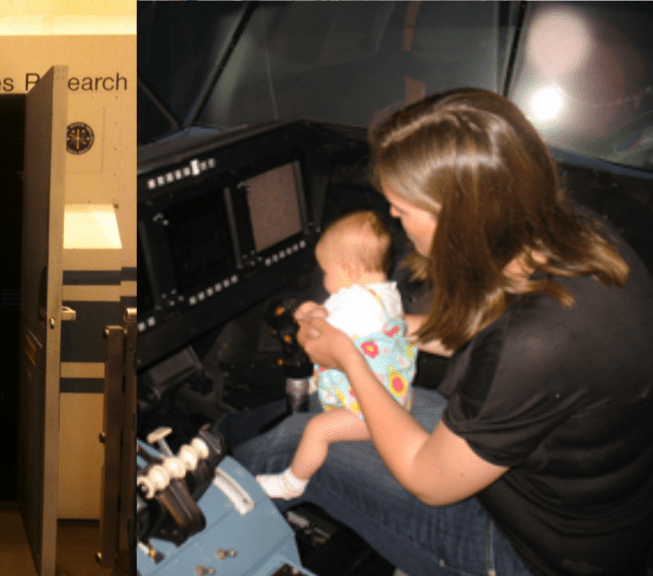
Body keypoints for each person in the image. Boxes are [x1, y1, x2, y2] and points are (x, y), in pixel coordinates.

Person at [217, 88, 653, 575]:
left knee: (295, 440)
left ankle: (196, 506)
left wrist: (349, 358)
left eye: (402, 212)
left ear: (457, 215)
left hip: (531, 552)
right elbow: (485, 324)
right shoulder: (578, 237)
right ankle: (220, 446)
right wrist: (382, 331)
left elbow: (428, 478)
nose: (398, 224)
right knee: (325, 417)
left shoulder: (536, 342)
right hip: (594, 514)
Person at [256, 210, 417, 500]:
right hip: (396, 394)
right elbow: (337, 316)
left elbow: (319, 336)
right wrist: (316, 311)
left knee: (317, 429)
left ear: (352, 269)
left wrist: (304, 316)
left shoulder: (357, 303)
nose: (325, 279)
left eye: (327, 272)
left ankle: (293, 482)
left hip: (370, 414)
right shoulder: (386, 293)